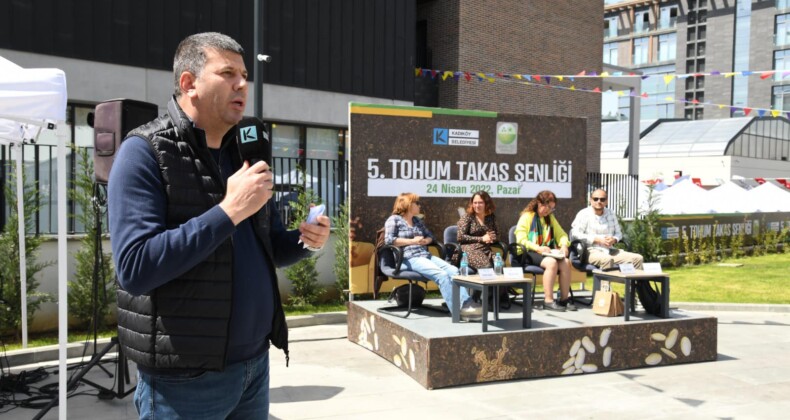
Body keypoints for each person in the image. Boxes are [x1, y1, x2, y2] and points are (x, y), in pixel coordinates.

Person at [108, 32, 330, 419]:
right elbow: (136, 268)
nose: (242, 83)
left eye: (244, 74)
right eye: (227, 72)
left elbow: (271, 246)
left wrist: (305, 240)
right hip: (184, 382)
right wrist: (228, 211)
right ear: (189, 83)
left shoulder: (244, 153)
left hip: (254, 368)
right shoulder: (143, 153)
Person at [384, 193, 482, 321]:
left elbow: (431, 236)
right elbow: (389, 240)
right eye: (417, 203)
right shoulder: (394, 220)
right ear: (408, 205)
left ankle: (466, 302)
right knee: (441, 275)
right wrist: (412, 241)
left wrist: (426, 240)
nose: (419, 205)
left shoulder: (417, 220)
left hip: (425, 256)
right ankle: (458, 312)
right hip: (407, 258)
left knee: (454, 271)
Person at [514, 190, 576, 312]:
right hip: (528, 253)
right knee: (551, 263)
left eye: (551, 208)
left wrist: (564, 245)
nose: (548, 210)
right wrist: (538, 248)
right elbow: (521, 240)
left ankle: (564, 300)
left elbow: (562, 234)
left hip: (546, 253)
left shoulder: (550, 218)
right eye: (546, 206)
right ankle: (548, 300)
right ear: (538, 202)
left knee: (566, 262)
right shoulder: (527, 217)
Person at [570, 188, 644, 271]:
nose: (599, 201)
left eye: (602, 199)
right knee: (607, 260)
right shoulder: (583, 214)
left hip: (610, 250)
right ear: (590, 200)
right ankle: (604, 284)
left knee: (638, 258)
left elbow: (619, 234)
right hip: (590, 251)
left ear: (606, 201)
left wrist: (614, 239)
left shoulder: (611, 213)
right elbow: (575, 233)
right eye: (595, 199)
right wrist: (596, 240)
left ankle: (638, 284)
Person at [456, 191, 500, 269]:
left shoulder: (491, 217)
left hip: (485, 249)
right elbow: (460, 237)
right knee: (487, 267)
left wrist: (492, 238)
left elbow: (497, 235)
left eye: (480, 203)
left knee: (500, 267)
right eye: (475, 203)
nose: (477, 205)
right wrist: (482, 238)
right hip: (469, 250)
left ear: (487, 204)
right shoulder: (467, 217)